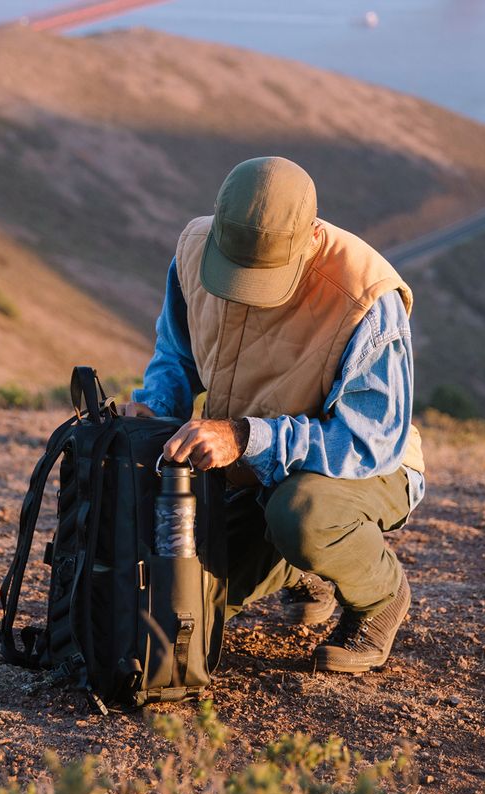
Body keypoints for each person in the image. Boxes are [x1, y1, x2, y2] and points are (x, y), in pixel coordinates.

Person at [122, 156, 425, 673]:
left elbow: (370, 442)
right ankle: (299, 569)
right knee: (175, 603)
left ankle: (380, 599)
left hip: (362, 470)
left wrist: (246, 437)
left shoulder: (365, 294)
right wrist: (154, 417)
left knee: (302, 515)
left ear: (310, 236)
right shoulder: (194, 248)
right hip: (245, 469)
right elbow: (178, 354)